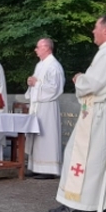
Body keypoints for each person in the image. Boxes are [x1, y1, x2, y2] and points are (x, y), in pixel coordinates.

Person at [49, 15, 106, 212]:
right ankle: (104, 203)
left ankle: (74, 204)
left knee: (81, 156)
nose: (93, 32)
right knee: (103, 159)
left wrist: (79, 79)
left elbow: (93, 83)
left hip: (99, 113)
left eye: (95, 28)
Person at [24, 38, 65, 179]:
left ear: (47, 48)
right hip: (38, 106)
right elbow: (36, 83)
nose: (35, 49)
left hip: (47, 106)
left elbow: (55, 88)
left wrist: (37, 84)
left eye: (38, 47)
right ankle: (36, 166)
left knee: (46, 135)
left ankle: (49, 169)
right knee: (37, 136)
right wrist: (31, 82)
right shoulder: (40, 65)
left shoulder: (54, 66)